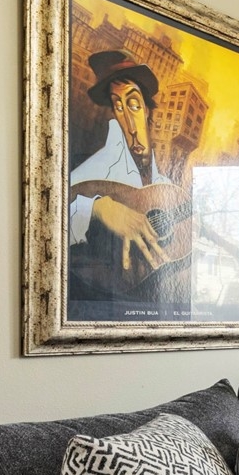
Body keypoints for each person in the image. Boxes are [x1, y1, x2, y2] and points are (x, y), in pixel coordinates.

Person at [67, 51, 190, 313]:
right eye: (118, 107)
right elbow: (45, 218)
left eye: (133, 105)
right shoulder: (96, 168)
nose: (129, 122)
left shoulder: (164, 183)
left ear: (146, 109)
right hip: (93, 302)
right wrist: (98, 209)